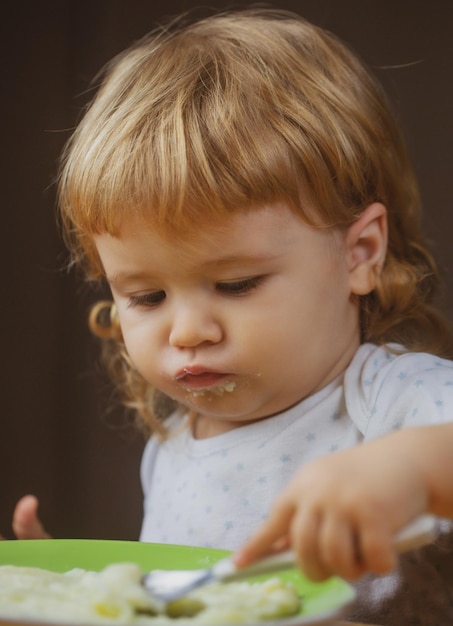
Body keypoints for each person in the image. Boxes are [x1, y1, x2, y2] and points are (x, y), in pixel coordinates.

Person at [4, 7, 453, 623]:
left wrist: (411, 468)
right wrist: (77, 598)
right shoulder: (172, 450)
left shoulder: (389, 402)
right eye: (146, 297)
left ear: (360, 253)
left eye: (236, 284)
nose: (188, 332)